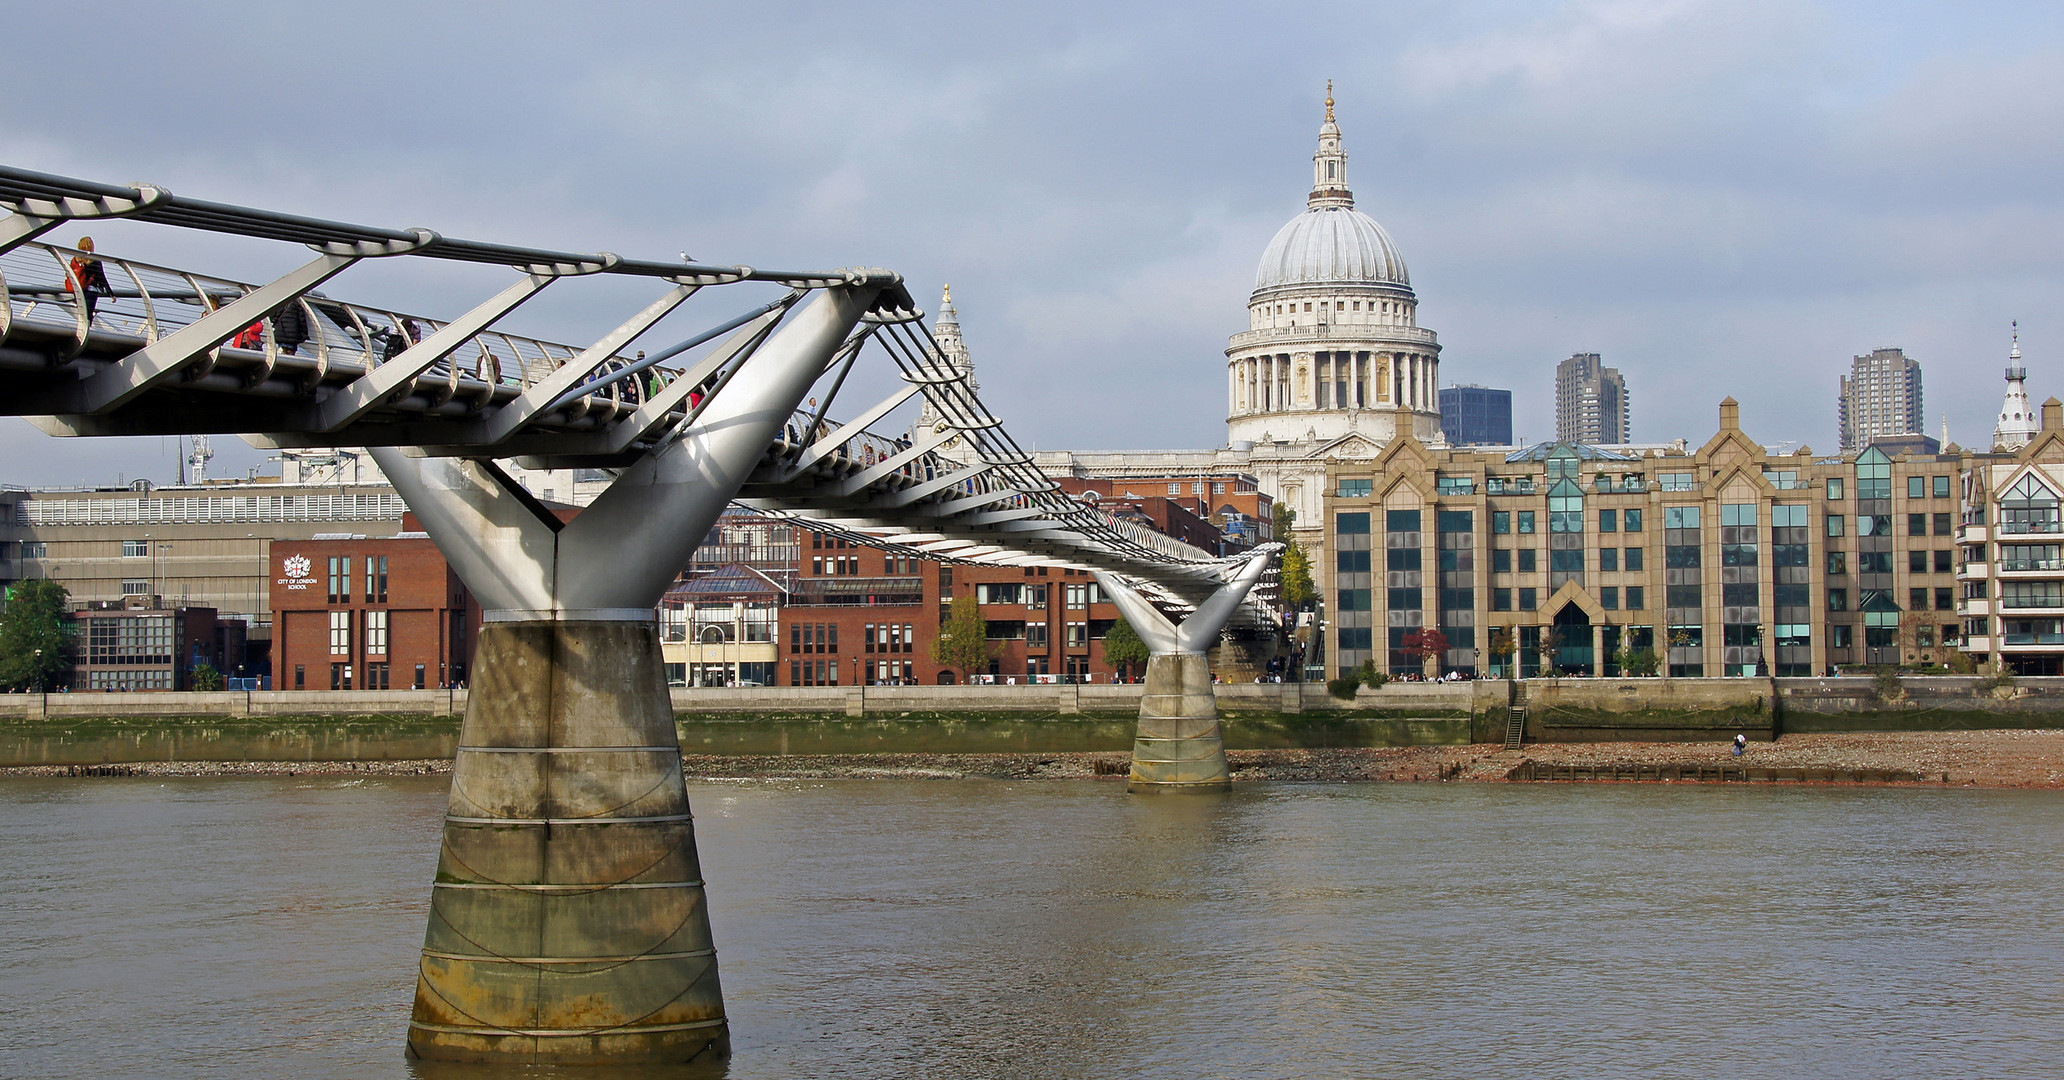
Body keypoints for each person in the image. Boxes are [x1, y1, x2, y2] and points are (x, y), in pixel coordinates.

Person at [66, 236, 112, 322]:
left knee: (81, 313)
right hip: (91, 290)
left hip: (78, 289)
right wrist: (111, 293)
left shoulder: (75, 259)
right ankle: (86, 329)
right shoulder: (94, 260)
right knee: (88, 315)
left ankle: (81, 329)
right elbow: (101, 277)